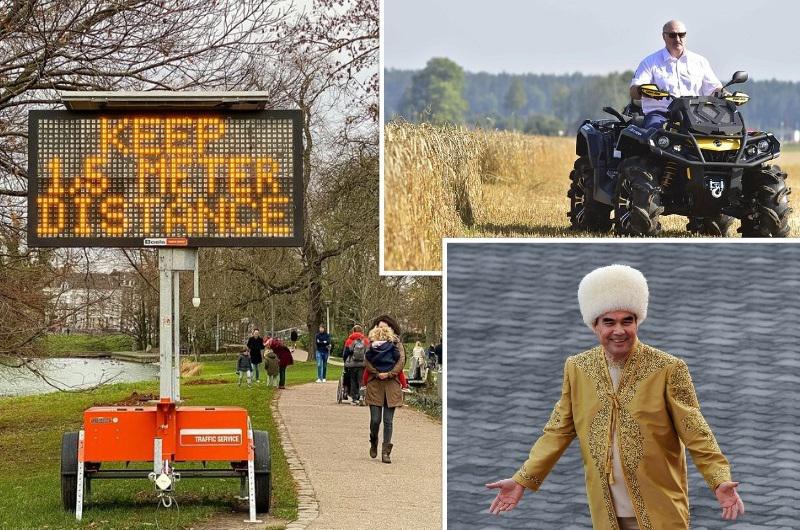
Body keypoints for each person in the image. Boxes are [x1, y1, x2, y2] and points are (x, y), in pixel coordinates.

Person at [486, 265, 744, 528]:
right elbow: (557, 432)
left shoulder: (668, 368)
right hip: (606, 513)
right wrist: (522, 479)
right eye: (609, 322)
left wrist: (719, 479)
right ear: (594, 326)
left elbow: (696, 431)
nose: (619, 330)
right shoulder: (577, 368)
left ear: (637, 322)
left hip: (660, 509)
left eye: (627, 321)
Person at [629, 20, 722, 129]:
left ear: (685, 36)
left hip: (696, 115)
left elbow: (714, 88)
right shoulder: (649, 62)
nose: (677, 39)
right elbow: (634, 91)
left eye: (681, 35)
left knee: (723, 133)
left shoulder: (700, 61)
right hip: (661, 114)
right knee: (654, 133)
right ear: (664, 36)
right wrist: (642, 90)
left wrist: (726, 94)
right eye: (672, 35)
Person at [365, 321, 403, 463]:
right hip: (375, 384)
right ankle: (373, 440)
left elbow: (401, 361)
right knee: (375, 420)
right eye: (379, 326)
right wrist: (376, 373)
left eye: (384, 326)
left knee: (388, 421)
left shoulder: (396, 343)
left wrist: (390, 374)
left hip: (391, 384)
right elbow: (366, 361)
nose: (382, 329)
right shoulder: (371, 343)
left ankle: (386, 451)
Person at [342, 325, 369, 405]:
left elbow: (345, 354)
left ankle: (354, 398)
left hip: (352, 364)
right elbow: (368, 352)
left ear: (353, 331)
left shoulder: (349, 340)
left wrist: (346, 362)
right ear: (361, 331)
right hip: (362, 364)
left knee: (353, 380)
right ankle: (361, 396)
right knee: (361, 380)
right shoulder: (366, 340)